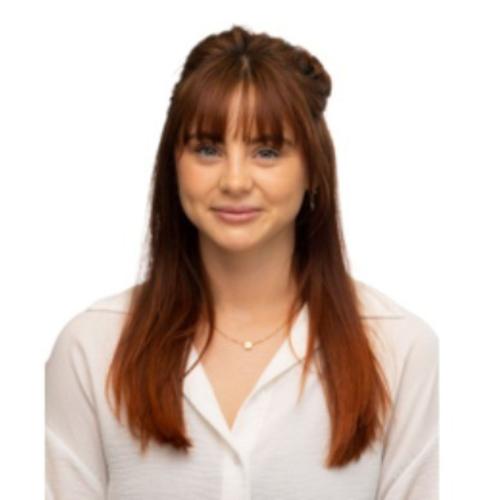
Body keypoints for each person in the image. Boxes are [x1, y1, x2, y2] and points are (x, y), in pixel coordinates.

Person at [45, 25, 439, 500]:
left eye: (266, 151)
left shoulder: (401, 351)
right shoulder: (91, 349)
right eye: (207, 149)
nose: (235, 181)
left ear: (313, 168)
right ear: (174, 164)